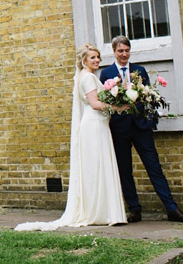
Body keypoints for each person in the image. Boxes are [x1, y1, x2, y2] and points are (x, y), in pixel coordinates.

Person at [16, 43, 126, 231]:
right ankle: (103, 212)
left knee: (97, 166)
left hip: (96, 124)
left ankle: (103, 211)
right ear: (84, 60)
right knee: (98, 166)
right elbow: (95, 104)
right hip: (94, 125)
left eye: (98, 56)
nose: (97, 60)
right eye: (93, 57)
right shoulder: (89, 77)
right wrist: (119, 108)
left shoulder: (85, 76)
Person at [98, 35, 183, 223]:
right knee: (125, 170)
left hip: (141, 127)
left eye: (126, 50)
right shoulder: (106, 74)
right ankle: (134, 209)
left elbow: (149, 100)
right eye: (120, 51)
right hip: (119, 129)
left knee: (154, 168)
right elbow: (105, 102)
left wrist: (150, 124)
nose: (124, 54)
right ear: (114, 52)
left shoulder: (139, 70)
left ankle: (172, 209)